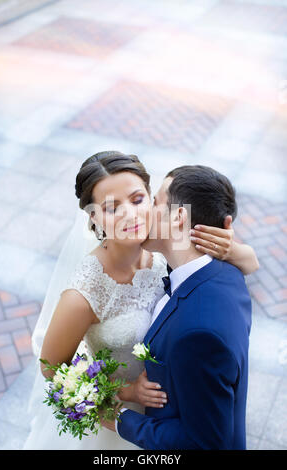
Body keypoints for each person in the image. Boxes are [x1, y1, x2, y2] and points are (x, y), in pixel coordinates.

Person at [23, 154, 258, 450]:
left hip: (179, 407)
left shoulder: (165, 249)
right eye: (111, 208)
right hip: (122, 423)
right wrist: (127, 392)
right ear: (94, 217)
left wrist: (241, 255)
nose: (130, 216)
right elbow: (52, 368)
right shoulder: (84, 291)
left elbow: (220, 270)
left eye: (137, 200)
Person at [101, 165, 257, 450]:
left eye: (156, 201)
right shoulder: (230, 271)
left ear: (179, 216)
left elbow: (204, 442)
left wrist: (120, 419)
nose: (146, 210)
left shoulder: (198, 333)